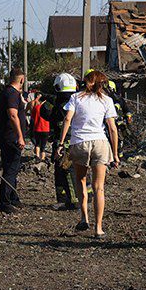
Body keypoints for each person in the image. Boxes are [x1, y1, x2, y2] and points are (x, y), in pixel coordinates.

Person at [59, 70, 120, 237]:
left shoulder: (76, 98)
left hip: (79, 143)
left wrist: (61, 142)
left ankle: (84, 217)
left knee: (80, 179)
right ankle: (98, 228)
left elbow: (67, 120)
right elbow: (112, 129)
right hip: (100, 143)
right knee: (99, 188)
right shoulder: (107, 100)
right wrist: (115, 154)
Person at [0, 68, 28, 212]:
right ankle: (5, 201)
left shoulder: (8, 93)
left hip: (7, 135)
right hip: (11, 137)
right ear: (21, 79)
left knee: (13, 168)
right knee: (10, 168)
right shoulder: (11, 94)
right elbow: (13, 115)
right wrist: (20, 136)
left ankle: (13, 197)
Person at [47, 73, 79, 212]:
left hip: (64, 143)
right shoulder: (77, 100)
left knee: (66, 170)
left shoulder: (59, 105)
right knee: (68, 171)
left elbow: (51, 118)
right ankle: (69, 199)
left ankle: (72, 201)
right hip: (76, 141)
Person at [30, 92, 51, 160]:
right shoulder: (48, 108)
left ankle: (37, 156)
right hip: (46, 128)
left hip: (37, 128)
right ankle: (42, 158)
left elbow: (32, 117)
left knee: (37, 143)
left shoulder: (36, 108)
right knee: (43, 145)